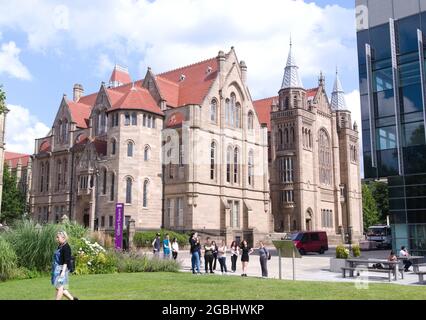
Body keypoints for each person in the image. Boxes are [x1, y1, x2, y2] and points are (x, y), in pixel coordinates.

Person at [51, 231, 78, 300]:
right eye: (56, 237)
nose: (56, 239)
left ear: (63, 237)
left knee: (59, 287)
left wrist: (63, 272)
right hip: (57, 269)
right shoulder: (60, 246)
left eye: (58, 237)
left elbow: (66, 261)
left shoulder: (66, 247)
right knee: (59, 287)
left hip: (62, 269)